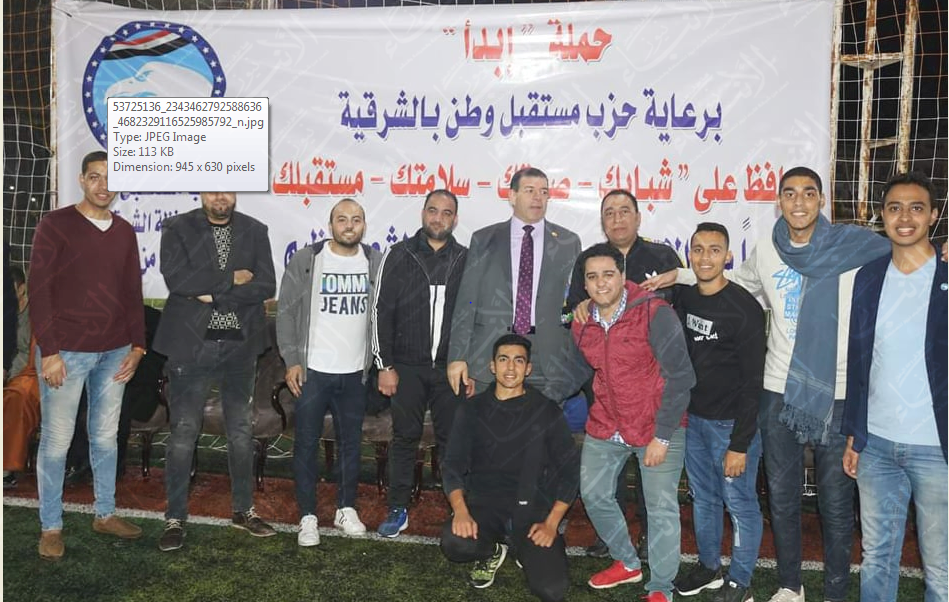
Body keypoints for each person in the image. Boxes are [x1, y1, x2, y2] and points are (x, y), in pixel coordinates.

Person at [643, 166, 891, 602]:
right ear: (779, 202)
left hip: (835, 391)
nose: (799, 202)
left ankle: (834, 592)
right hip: (778, 389)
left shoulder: (854, 247)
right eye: (790, 193)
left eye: (809, 193)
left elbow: (906, 250)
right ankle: (790, 585)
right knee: (782, 496)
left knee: (835, 503)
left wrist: (940, 250)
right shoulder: (768, 248)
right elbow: (733, 282)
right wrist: (681, 275)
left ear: (822, 200)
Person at [29, 150, 146, 560]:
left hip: (115, 352)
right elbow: (39, 289)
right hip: (66, 352)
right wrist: (49, 351)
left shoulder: (125, 231)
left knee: (105, 437)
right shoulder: (55, 224)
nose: (103, 186)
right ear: (81, 180)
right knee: (57, 441)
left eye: (110, 178)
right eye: (95, 176)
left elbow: (132, 291)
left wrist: (138, 346)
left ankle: (105, 513)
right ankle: (51, 526)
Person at [842, 172, 947, 602]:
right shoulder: (868, 277)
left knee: (941, 568)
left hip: (937, 449)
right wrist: (855, 433)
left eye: (916, 208)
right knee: (877, 559)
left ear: (934, 215)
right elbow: (859, 361)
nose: (905, 218)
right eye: (894, 208)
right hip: (877, 447)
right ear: (881, 215)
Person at [154, 191, 277, 552]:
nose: (220, 195)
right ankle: (175, 517)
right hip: (191, 346)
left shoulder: (255, 230)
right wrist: (233, 279)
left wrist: (211, 291)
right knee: (183, 433)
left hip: (239, 346)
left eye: (227, 188)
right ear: (201, 191)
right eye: (213, 188)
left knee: (240, 431)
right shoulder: (177, 228)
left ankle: (243, 510)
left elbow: (266, 285)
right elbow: (179, 282)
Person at [567, 189, 684, 559]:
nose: (617, 219)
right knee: (607, 473)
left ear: (638, 216)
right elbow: (569, 313)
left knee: (653, 475)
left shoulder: (663, 257)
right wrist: (580, 307)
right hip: (606, 387)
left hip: (652, 386)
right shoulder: (589, 260)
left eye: (624, 211)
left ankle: (650, 538)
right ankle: (613, 539)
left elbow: (684, 310)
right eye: (609, 213)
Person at [573, 243, 694, 602]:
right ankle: (627, 562)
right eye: (592, 277)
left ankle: (661, 588)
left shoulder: (656, 313)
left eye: (608, 274)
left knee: (660, 508)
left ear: (623, 276)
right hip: (607, 422)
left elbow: (681, 378)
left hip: (657, 424)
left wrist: (663, 436)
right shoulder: (581, 322)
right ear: (584, 284)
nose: (601, 283)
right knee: (593, 494)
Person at [439, 334, 579, 602]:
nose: (511, 367)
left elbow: (570, 470)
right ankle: (492, 551)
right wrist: (461, 511)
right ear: (492, 366)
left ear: (528, 368)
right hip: (485, 508)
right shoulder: (472, 409)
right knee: (454, 543)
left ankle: (521, 549)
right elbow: (452, 463)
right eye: (503, 360)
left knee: (552, 590)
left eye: (519, 360)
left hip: (531, 513)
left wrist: (551, 523)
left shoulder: (547, 411)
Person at [277, 198, 382, 546]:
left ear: (364, 225)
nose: (349, 225)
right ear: (331, 224)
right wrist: (292, 360)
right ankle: (307, 515)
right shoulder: (308, 260)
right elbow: (286, 312)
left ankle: (345, 508)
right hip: (313, 373)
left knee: (351, 444)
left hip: (355, 374)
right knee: (305, 444)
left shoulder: (375, 262)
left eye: (356, 219)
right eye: (342, 219)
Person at [672, 223, 766, 602]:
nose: (705, 257)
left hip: (732, 427)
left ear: (728, 256)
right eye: (698, 249)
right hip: (694, 421)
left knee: (740, 504)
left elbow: (754, 382)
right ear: (689, 254)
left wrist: (740, 444)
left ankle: (740, 582)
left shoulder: (745, 308)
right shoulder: (685, 298)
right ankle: (709, 567)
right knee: (704, 498)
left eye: (714, 250)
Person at [447, 167, 590, 405]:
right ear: (512, 196)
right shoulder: (484, 239)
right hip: (491, 354)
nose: (538, 197)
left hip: (548, 358)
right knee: (491, 425)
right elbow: (467, 301)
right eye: (530, 190)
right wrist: (458, 356)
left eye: (543, 192)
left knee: (542, 426)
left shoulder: (568, 242)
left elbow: (573, 303)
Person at [371, 190, 467, 538]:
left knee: (453, 441)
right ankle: (398, 507)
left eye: (446, 212)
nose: (438, 218)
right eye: (433, 211)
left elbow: (475, 315)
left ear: (455, 219)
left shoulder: (466, 258)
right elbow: (381, 311)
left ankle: (459, 509)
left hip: (450, 369)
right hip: (406, 367)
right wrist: (385, 365)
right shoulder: (399, 254)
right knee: (405, 437)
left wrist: (468, 363)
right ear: (423, 213)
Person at [3, 265, 36, 488]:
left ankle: (6, 468)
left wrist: (8, 373)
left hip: (29, 373)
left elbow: (30, 354)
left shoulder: (36, 313)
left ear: (22, 289)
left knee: (17, 397)